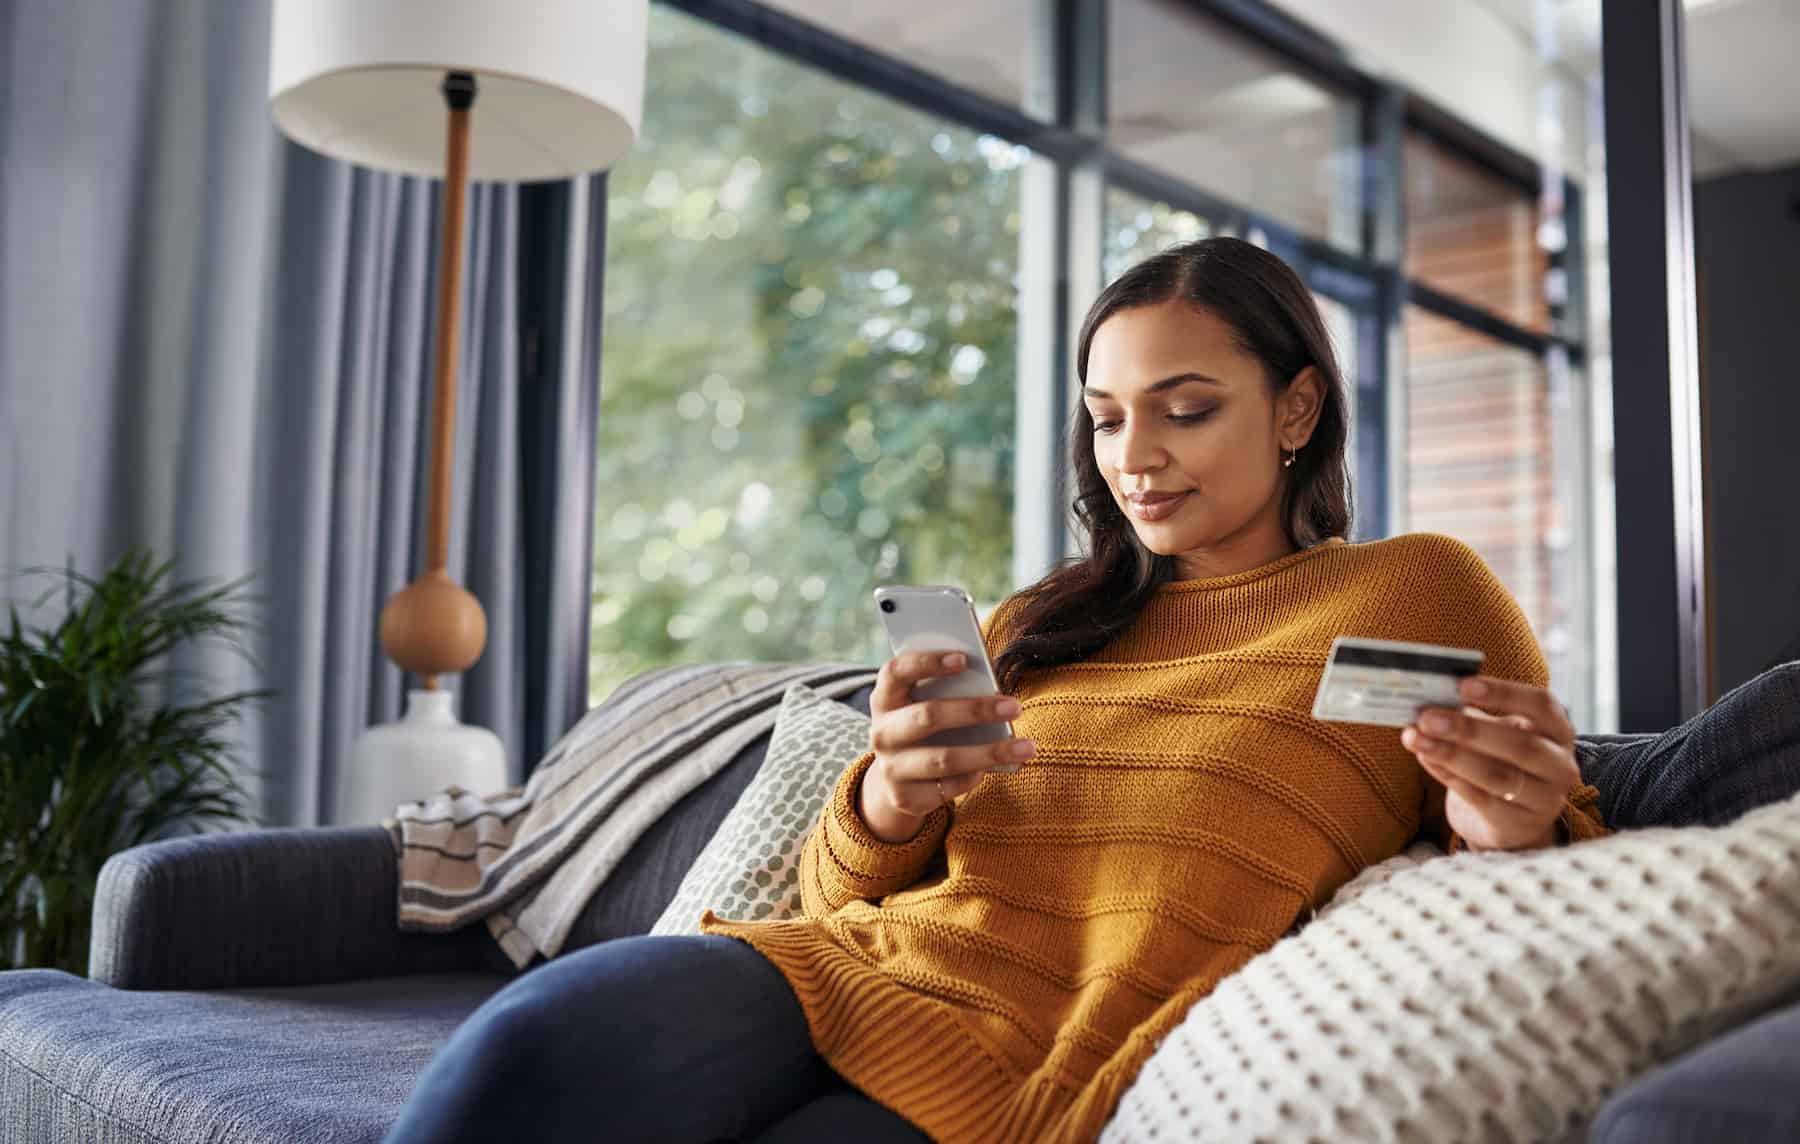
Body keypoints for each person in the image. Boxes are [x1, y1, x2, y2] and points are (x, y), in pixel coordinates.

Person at [383, 237, 1609, 1144]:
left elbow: (1533, 881)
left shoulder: (1418, 593)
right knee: (521, 1053)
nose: (1135, 457)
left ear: (1298, 406)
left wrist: (1507, 824)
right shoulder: (1043, 620)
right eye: (1109, 416)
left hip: (1039, 1061)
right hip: (839, 965)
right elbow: (837, 891)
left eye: (1186, 410)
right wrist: (892, 799)